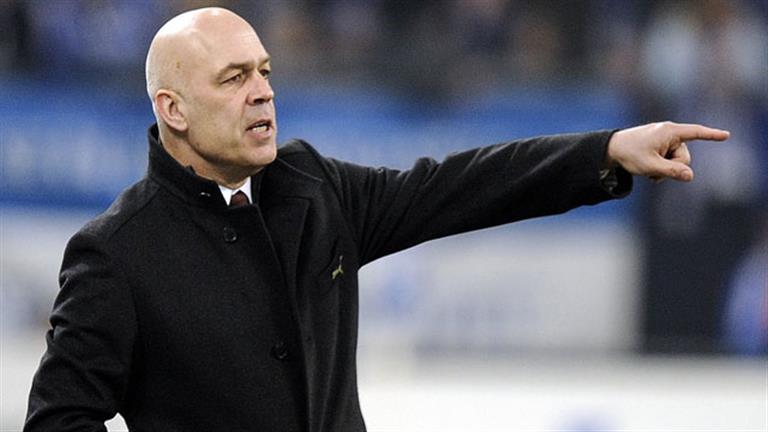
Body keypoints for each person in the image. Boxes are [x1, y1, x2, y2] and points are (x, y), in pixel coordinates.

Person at [24, 7, 730, 432]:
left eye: (264, 71)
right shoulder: (116, 253)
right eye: (233, 78)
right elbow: (59, 418)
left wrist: (603, 151)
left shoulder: (311, 186)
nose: (263, 92)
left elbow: (458, 185)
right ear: (173, 109)